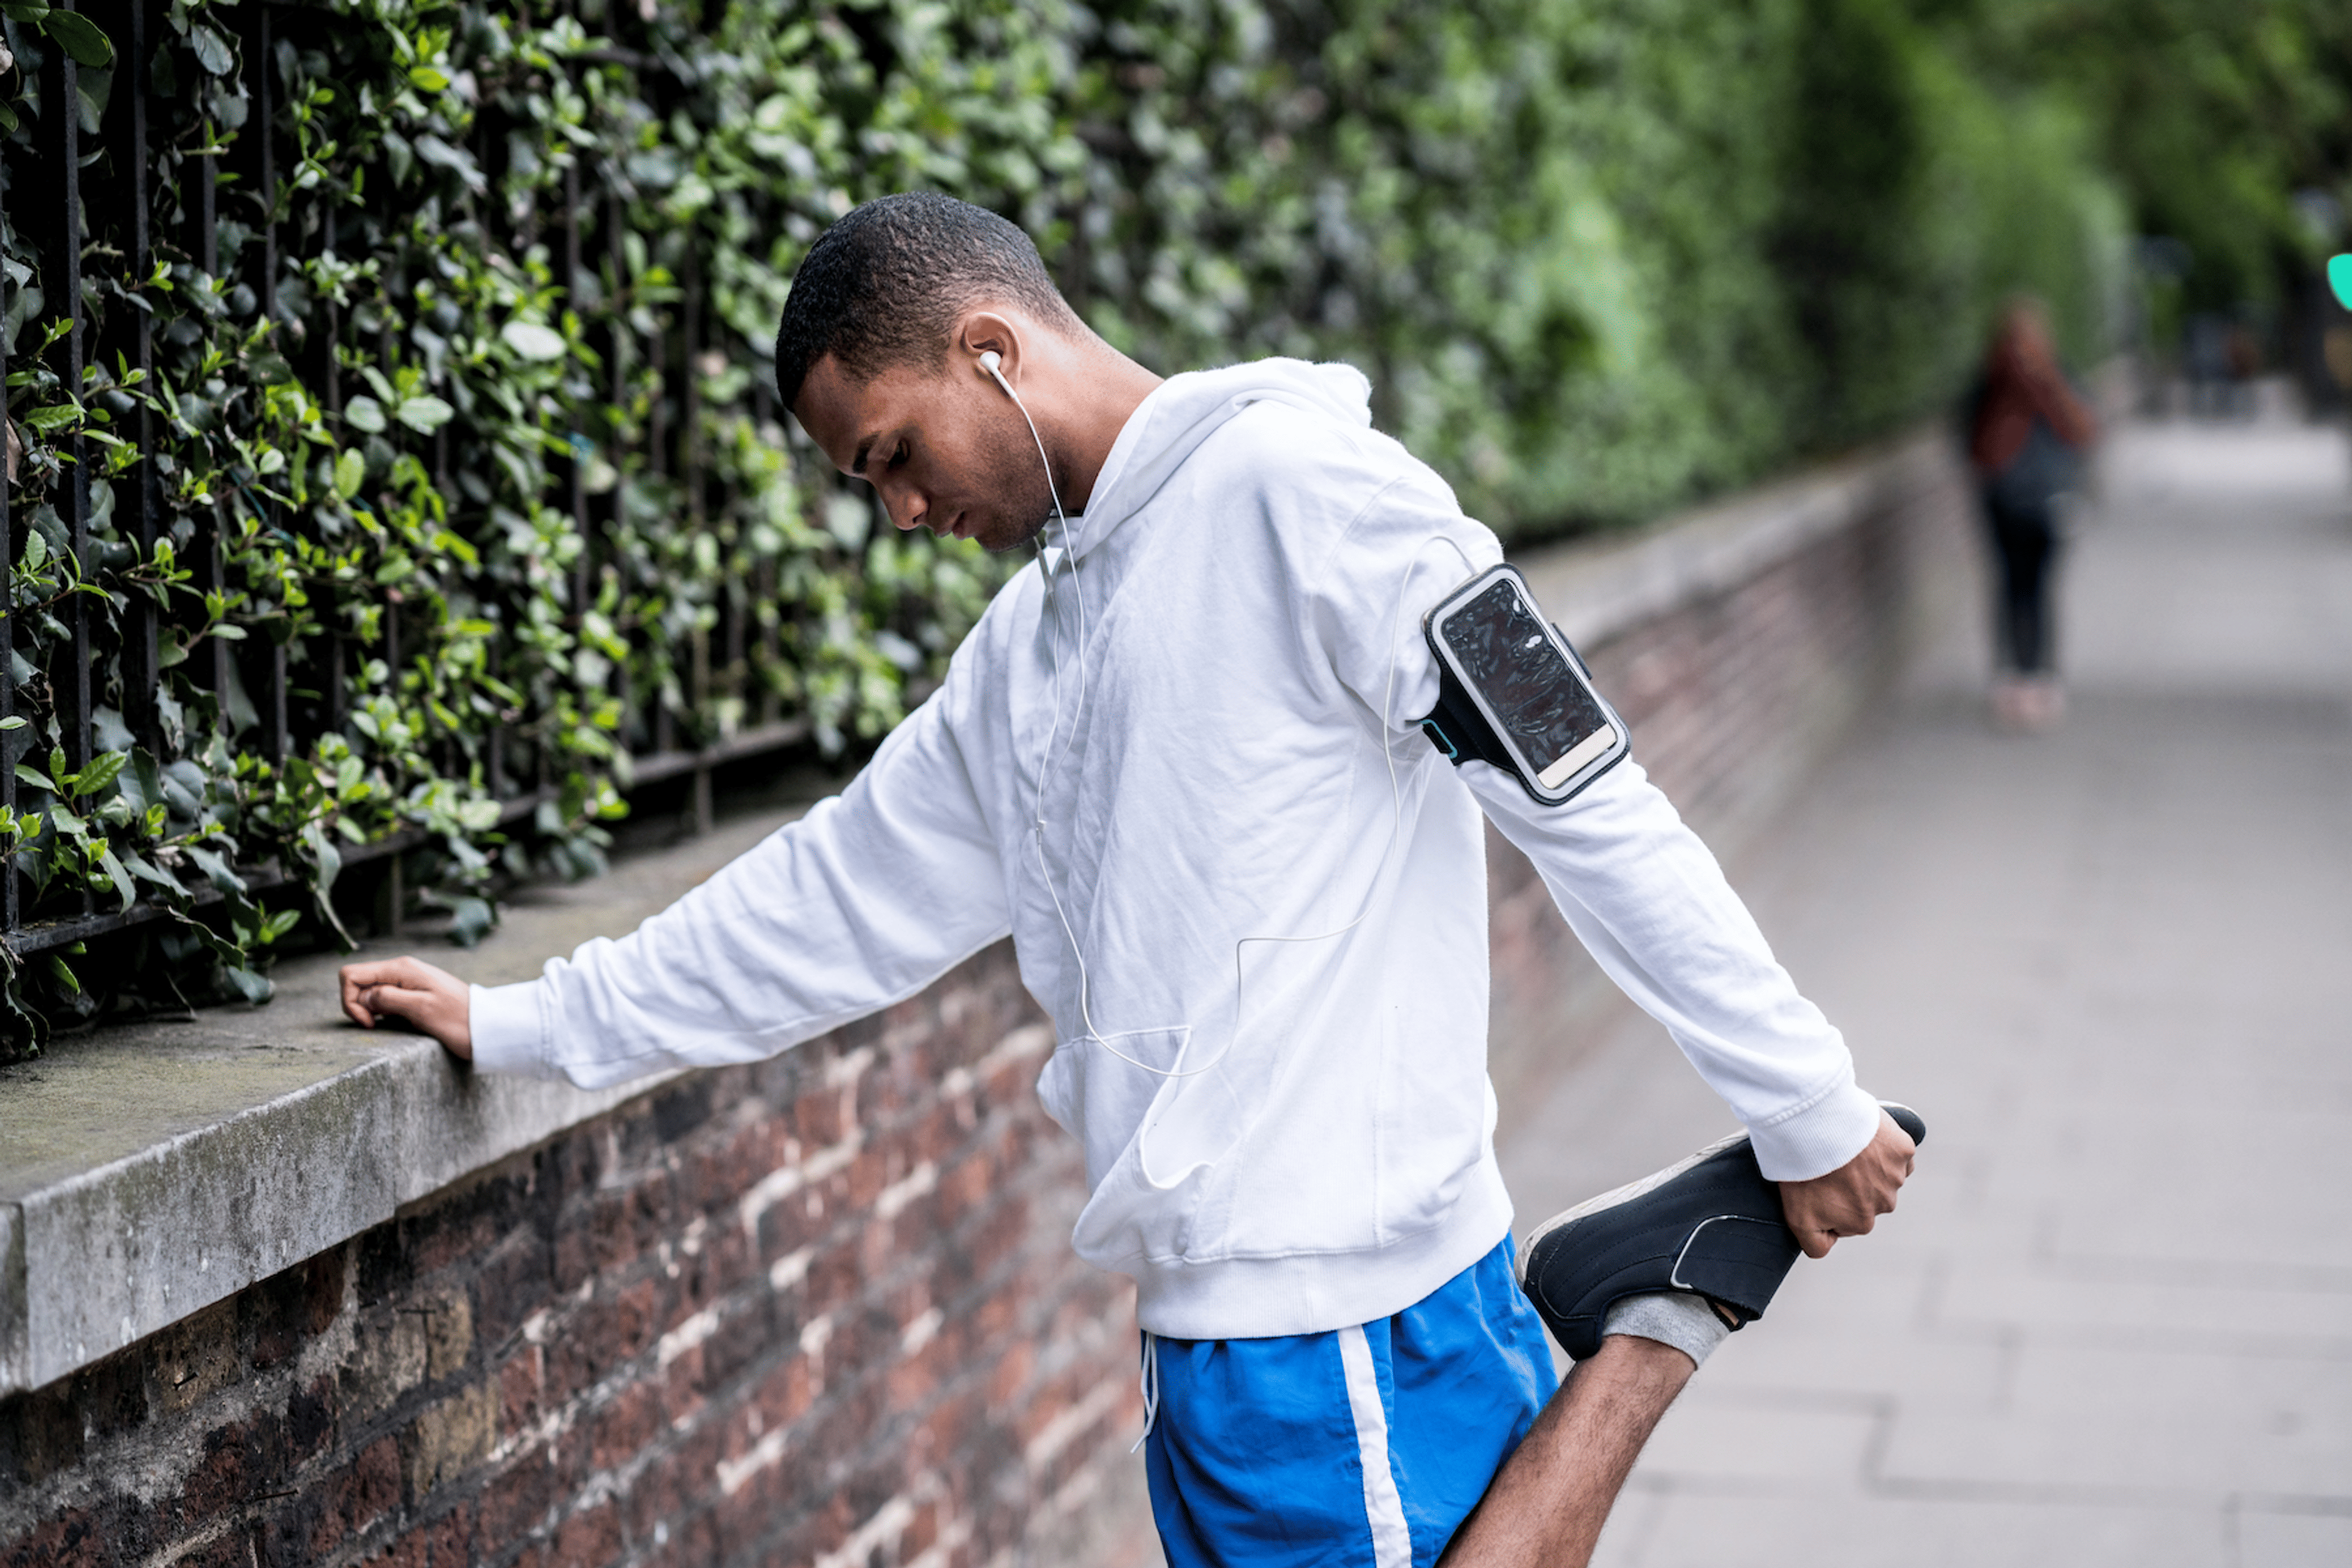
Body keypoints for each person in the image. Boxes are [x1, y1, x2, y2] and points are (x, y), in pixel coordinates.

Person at [341, 193, 1916, 1568]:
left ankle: (1653, 1317)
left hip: (1345, 1313)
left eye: (890, 453)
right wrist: (528, 1019)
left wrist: (1800, 1101)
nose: (895, 509)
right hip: (1198, 1339)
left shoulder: (1318, 497)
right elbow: (823, 898)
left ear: (990, 349)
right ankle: (1632, 1300)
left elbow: (1586, 796)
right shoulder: (1030, 646)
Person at [1967, 298, 2098, 733]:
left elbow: (2080, 428)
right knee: (2020, 587)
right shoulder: (2000, 381)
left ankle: (2032, 674)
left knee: (2027, 587)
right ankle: (2024, 675)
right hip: (2017, 499)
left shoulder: (2045, 378)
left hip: (2033, 499)